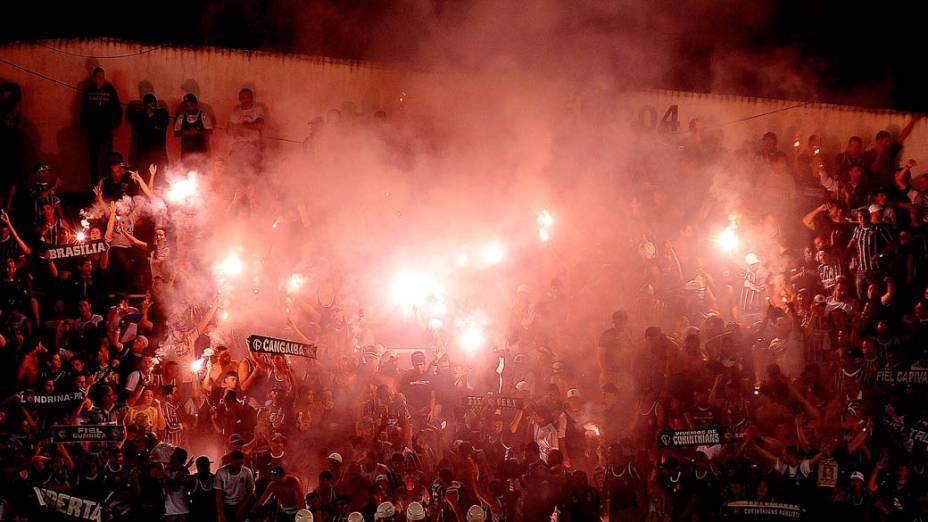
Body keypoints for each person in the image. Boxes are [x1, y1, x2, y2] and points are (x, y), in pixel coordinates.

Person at [80, 67, 122, 185]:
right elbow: (84, 109)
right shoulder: (89, 91)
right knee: (93, 158)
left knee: (107, 158)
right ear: (94, 78)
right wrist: (84, 126)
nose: (101, 79)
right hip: (93, 130)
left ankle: (108, 184)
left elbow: (117, 108)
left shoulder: (110, 90)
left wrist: (115, 125)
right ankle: (95, 186)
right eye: (99, 77)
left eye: (103, 77)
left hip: (106, 130)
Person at [126, 93, 169, 186]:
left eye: (153, 104)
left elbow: (161, 128)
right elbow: (137, 127)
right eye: (148, 105)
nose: (151, 106)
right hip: (143, 153)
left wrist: (150, 122)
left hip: (158, 152)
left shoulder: (162, 114)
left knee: (159, 176)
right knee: (143, 176)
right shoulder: (140, 115)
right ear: (144, 105)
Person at [227, 88, 266, 173]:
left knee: (253, 173)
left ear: (252, 97)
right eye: (243, 97)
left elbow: (260, 125)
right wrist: (249, 126)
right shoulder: (235, 111)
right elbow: (229, 131)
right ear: (239, 99)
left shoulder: (257, 109)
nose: (246, 99)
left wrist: (242, 125)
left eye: (248, 97)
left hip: (253, 145)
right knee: (237, 173)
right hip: (239, 146)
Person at [215, 449, 256, 522]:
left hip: (241, 502)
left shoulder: (247, 472)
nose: (239, 467)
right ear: (230, 461)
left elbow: (250, 492)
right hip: (226, 504)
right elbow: (218, 494)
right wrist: (220, 514)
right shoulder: (221, 472)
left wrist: (242, 507)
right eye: (236, 464)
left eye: (241, 464)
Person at [174, 93, 213, 160]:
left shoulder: (203, 116)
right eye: (186, 105)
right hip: (186, 152)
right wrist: (185, 132)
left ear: (195, 104)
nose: (189, 107)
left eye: (191, 105)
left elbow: (210, 131)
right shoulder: (181, 117)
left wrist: (197, 132)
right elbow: (176, 133)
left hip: (201, 152)